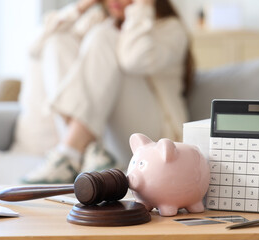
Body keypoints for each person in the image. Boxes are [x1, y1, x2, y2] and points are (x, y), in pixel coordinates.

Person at [18, 0, 193, 184]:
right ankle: (88, 151)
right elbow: (35, 46)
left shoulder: (171, 29)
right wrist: (82, 6)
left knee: (105, 35)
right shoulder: (98, 19)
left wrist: (142, 8)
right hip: (106, 142)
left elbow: (133, 60)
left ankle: (68, 153)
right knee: (59, 41)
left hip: (154, 140)